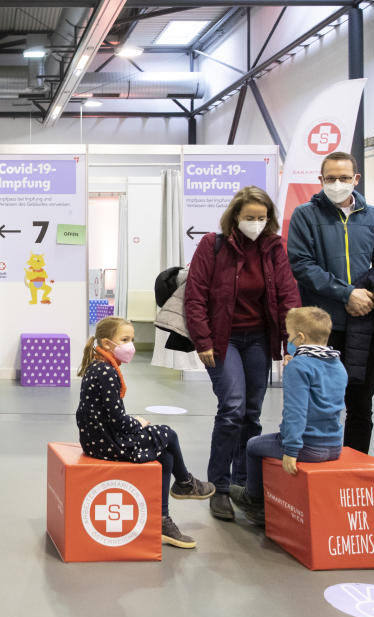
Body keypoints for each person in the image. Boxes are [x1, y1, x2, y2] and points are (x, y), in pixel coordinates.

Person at [184, 186, 301, 522]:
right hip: (224, 340)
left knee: (251, 412)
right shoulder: (213, 245)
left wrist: (291, 345)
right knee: (232, 407)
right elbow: (195, 296)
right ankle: (218, 487)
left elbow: (288, 295)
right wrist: (203, 340)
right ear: (235, 216)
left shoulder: (275, 247)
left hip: (259, 339)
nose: (256, 223)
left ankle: (243, 484)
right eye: (250, 217)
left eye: (262, 218)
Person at [287, 151, 374, 454]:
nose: (338, 183)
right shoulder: (305, 215)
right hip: (322, 329)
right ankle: (321, 467)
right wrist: (346, 293)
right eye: (331, 178)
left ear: (356, 179)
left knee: (361, 406)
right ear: (320, 180)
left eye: (344, 178)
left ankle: (355, 467)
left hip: (364, 325)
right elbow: (302, 265)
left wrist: (368, 295)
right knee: (320, 405)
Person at [76, 316, 215, 549]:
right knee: (167, 433)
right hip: (106, 442)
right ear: (108, 343)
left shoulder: (98, 365)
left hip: (97, 438)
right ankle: (185, 482)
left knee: (166, 455)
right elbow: (117, 419)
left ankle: (162, 519)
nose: (131, 344)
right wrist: (138, 424)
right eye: (125, 339)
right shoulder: (107, 373)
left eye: (132, 338)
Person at [229, 307, 347, 526]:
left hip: (307, 446)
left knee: (253, 445)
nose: (288, 339)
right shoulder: (338, 365)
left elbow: (296, 412)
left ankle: (253, 500)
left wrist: (291, 449)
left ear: (300, 337)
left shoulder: (299, 367)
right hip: (333, 445)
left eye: (290, 334)